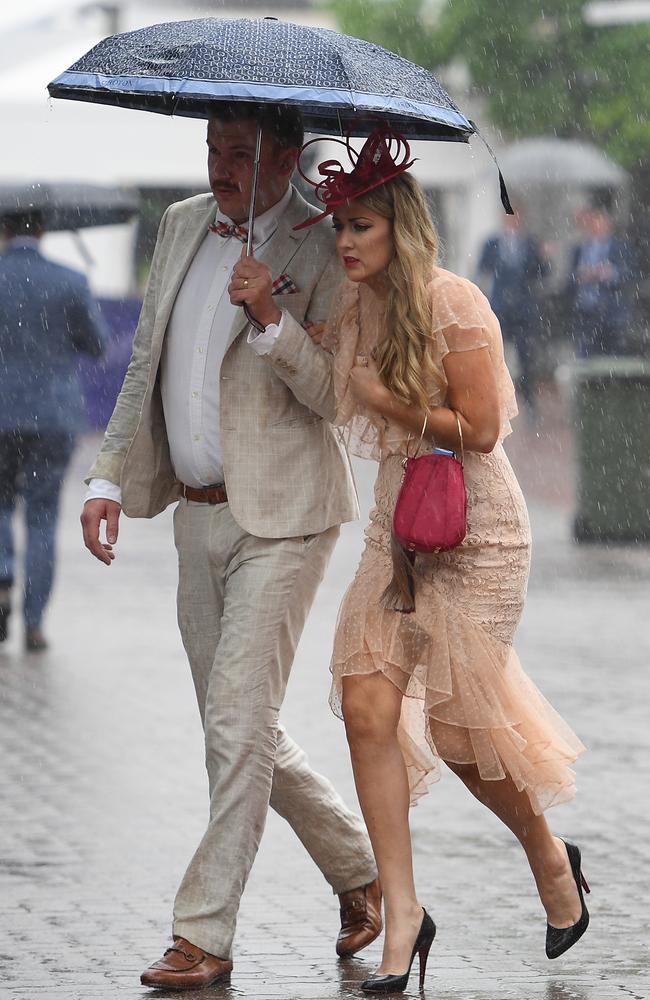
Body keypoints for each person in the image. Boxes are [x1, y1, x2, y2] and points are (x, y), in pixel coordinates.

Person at [80, 103, 381, 991]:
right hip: (194, 509)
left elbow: (340, 397)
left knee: (234, 726)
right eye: (214, 150)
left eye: (241, 154)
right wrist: (104, 478)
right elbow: (145, 362)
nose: (222, 167)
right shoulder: (178, 225)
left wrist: (271, 322)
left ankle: (202, 934)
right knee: (238, 731)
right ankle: (365, 876)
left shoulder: (327, 246)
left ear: (288, 156)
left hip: (286, 517)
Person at [301, 129, 588, 994]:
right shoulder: (356, 308)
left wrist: (390, 399)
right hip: (399, 524)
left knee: (465, 732)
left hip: (477, 529)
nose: (345, 241)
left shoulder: (451, 302)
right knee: (365, 706)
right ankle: (405, 912)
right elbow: (323, 365)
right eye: (338, 226)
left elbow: (485, 432)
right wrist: (272, 313)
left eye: (361, 226)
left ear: (400, 227)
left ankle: (549, 857)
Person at [0, 210, 106, 651]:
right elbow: (97, 345)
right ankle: (35, 621)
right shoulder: (70, 280)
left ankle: (2, 573)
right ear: (42, 230)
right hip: (53, 417)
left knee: (1, 504)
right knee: (42, 516)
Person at [477, 208, 548, 413]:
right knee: (495, 355)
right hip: (499, 309)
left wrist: (544, 257)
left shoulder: (531, 243)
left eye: (516, 216)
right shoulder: (492, 243)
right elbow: (481, 270)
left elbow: (543, 273)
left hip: (524, 309)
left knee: (526, 357)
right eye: (508, 216)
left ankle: (529, 402)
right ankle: (493, 401)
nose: (512, 221)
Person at [568, 203, 631, 357]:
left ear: (608, 225)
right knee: (586, 353)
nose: (597, 227)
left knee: (613, 354)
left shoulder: (620, 247)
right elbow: (570, 278)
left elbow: (628, 274)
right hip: (586, 310)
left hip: (612, 311)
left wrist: (610, 273)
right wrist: (580, 276)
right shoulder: (579, 249)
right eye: (594, 223)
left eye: (600, 223)